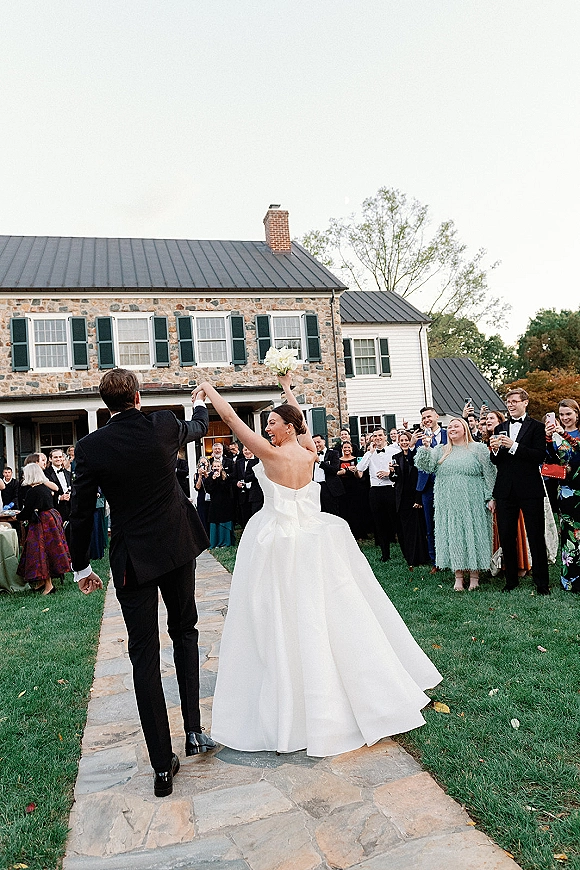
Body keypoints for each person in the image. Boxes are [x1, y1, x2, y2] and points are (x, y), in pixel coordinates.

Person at [191, 374, 441, 757]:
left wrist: (210, 392)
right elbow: (304, 423)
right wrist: (287, 388)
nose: (266, 428)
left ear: (287, 428)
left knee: (276, 609)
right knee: (321, 606)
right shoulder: (307, 451)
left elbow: (233, 421)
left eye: (272, 422)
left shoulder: (271, 453)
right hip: (313, 535)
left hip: (276, 538)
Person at [69, 368, 215, 798]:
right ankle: (193, 732)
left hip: (132, 558)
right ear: (138, 395)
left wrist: (81, 567)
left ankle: (160, 765)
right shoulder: (164, 425)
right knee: (185, 633)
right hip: (175, 547)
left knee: (143, 656)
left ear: (105, 404)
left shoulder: (91, 447)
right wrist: (200, 399)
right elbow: (201, 426)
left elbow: (79, 514)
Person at [415, 417, 496, 591]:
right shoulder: (441, 450)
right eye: (450, 426)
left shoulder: (478, 448)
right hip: (448, 501)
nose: (452, 429)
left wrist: (491, 497)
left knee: (474, 534)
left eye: (456, 426)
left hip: (472, 500)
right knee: (454, 536)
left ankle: (475, 576)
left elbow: (489, 473)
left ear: (464, 429)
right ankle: (458, 576)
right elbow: (425, 467)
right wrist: (425, 448)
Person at [490, 388, 550, 595]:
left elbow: (539, 456)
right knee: (507, 535)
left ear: (525, 402)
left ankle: (542, 583)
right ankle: (511, 581)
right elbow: (496, 461)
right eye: (508, 402)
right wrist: (495, 450)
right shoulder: (500, 427)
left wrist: (514, 446)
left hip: (529, 488)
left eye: (515, 401)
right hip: (505, 489)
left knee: (535, 535)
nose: (511, 404)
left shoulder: (536, 427)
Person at [16, 462, 71, 595]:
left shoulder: (33, 491)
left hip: (42, 523)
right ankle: (42, 582)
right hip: (51, 519)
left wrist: (17, 517)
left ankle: (49, 585)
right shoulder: (44, 488)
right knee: (49, 550)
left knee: (40, 552)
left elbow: (28, 510)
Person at [545, 398, 580, 592]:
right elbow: (551, 460)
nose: (565, 418)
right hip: (566, 492)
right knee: (569, 537)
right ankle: (570, 580)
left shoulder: (569, 434)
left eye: (569, 414)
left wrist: (565, 435)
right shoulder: (557, 435)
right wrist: (549, 439)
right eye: (562, 415)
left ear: (577, 414)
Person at [411, 407, 448, 572]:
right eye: (423, 417)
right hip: (427, 485)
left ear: (436, 416)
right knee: (430, 524)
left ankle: (450, 557)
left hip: (447, 481)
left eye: (429, 416)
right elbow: (415, 462)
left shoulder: (449, 435)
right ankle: (436, 561)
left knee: (447, 521)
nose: (426, 419)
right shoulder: (419, 438)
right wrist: (414, 444)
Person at [357, 428, 399, 560]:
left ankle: (406, 552)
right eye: (375, 436)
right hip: (375, 491)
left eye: (380, 435)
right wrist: (369, 453)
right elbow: (360, 469)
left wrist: (389, 473)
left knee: (396, 521)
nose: (377, 438)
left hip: (390, 488)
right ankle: (385, 554)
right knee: (379, 524)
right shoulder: (369, 453)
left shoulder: (394, 451)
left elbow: (400, 470)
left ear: (385, 436)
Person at [389, 431, 430, 570]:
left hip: (416, 495)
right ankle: (410, 557)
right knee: (405, 529)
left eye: (406, 440)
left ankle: (421, 557)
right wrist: (392, 473)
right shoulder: (396, 457)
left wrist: (418, 498)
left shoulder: (416, 454)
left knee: (418, 528)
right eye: (402, 440)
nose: (404, 442)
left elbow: (419, 474)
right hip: (402, 498)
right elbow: (395, 479)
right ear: (399, 443)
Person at [336, 440, 367, 539]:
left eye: (348, 447)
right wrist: (346, 471)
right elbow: (336, 473)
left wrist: (355, 471)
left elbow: (359, 475)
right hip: (343, 487)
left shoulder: (357, 459)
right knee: (345, 510)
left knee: (356, 509)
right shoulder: (338, 460)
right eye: (345, 447)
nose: (347, 449)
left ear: (352, 449)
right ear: (342, 449)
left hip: (355, 487)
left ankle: (359, 533)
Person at [204, 458, 235, 547]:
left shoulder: (226, 477)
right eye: (214, 466)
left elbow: (226, 489)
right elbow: (209, 490)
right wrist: (213, 480)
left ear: (221, 467)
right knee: (215, 520)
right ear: (212, 468)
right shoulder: (209, 477)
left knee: (224, 520)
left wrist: (219, 479)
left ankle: (225, 541)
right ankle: (215, 542)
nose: (216, 468)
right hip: (214, 503)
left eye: (218, 466)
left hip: (225, 503)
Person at [312, 434, 344, 516]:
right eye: (314, 443)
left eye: (318, 442)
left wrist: (319, 462)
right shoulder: (310, 456)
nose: (316, 445)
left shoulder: (333, 453)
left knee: (332, 514)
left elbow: (334, 470)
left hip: (329, 488)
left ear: (324, 441)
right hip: (315, 488)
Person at [234, 445, 264, 527]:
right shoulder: (239, 462)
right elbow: (235, 476)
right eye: (245, 450)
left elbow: (258, 475)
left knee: (255, 516)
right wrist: (237, 483)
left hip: (255, 494)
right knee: (245, 517)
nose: (247, 452)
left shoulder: (259, 462)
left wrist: (246, 479)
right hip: (243, 495)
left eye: (249, 449)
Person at [44, 448, 73, 524]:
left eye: (60, 457)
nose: (58, 459)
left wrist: (70, 495)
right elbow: (46, 492)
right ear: (50, 459)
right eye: (56, 457)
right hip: (55, 508)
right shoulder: (45, 474)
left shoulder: (68, 473)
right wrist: (60, 497)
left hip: (69, 508)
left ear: (63, 458)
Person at [193, 456, 211, 534]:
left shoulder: (211, 473)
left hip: (210, 497)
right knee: (202, 517)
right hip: (201, 497)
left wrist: (206, 474)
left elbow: (211, 485)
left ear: (208, 464)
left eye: (205, 462)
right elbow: (197, 487)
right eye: (201, 463)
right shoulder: (196, 475)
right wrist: (200, 475)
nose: (203, 464)